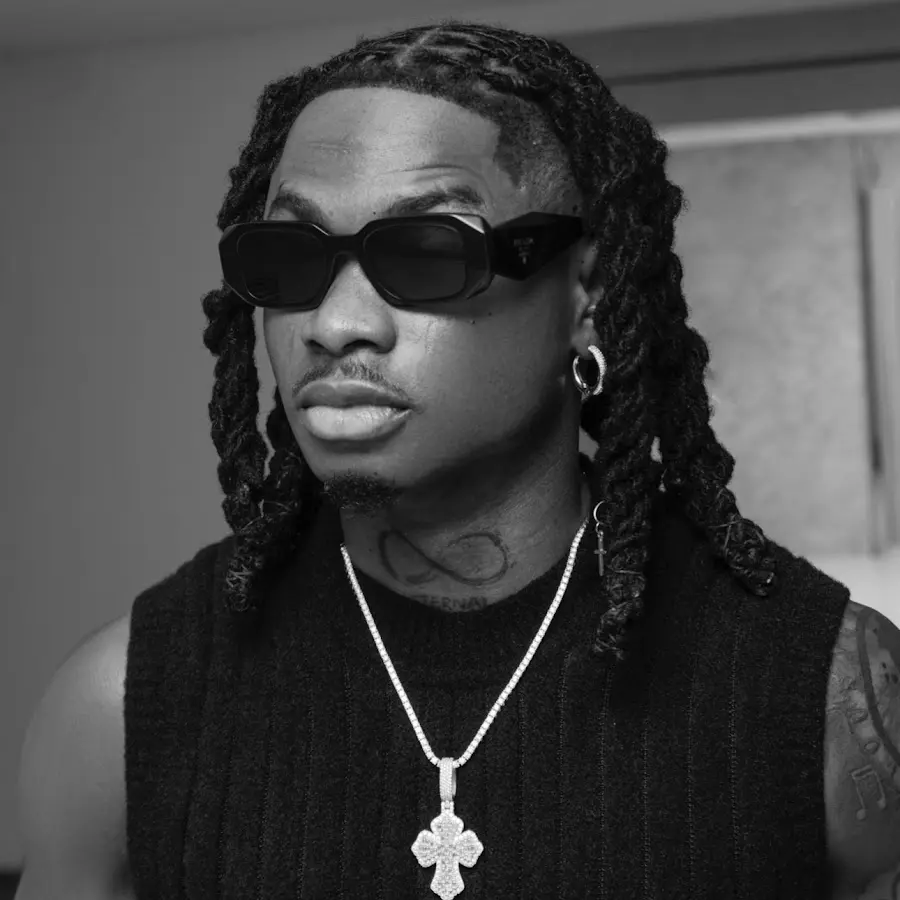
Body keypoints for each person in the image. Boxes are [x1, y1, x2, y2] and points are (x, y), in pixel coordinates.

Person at [13, 18, 900, 900]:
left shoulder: (827, 700)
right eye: (289, 258)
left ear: (586, 296)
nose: (334, 324)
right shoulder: (118, 712)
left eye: (428, 253)